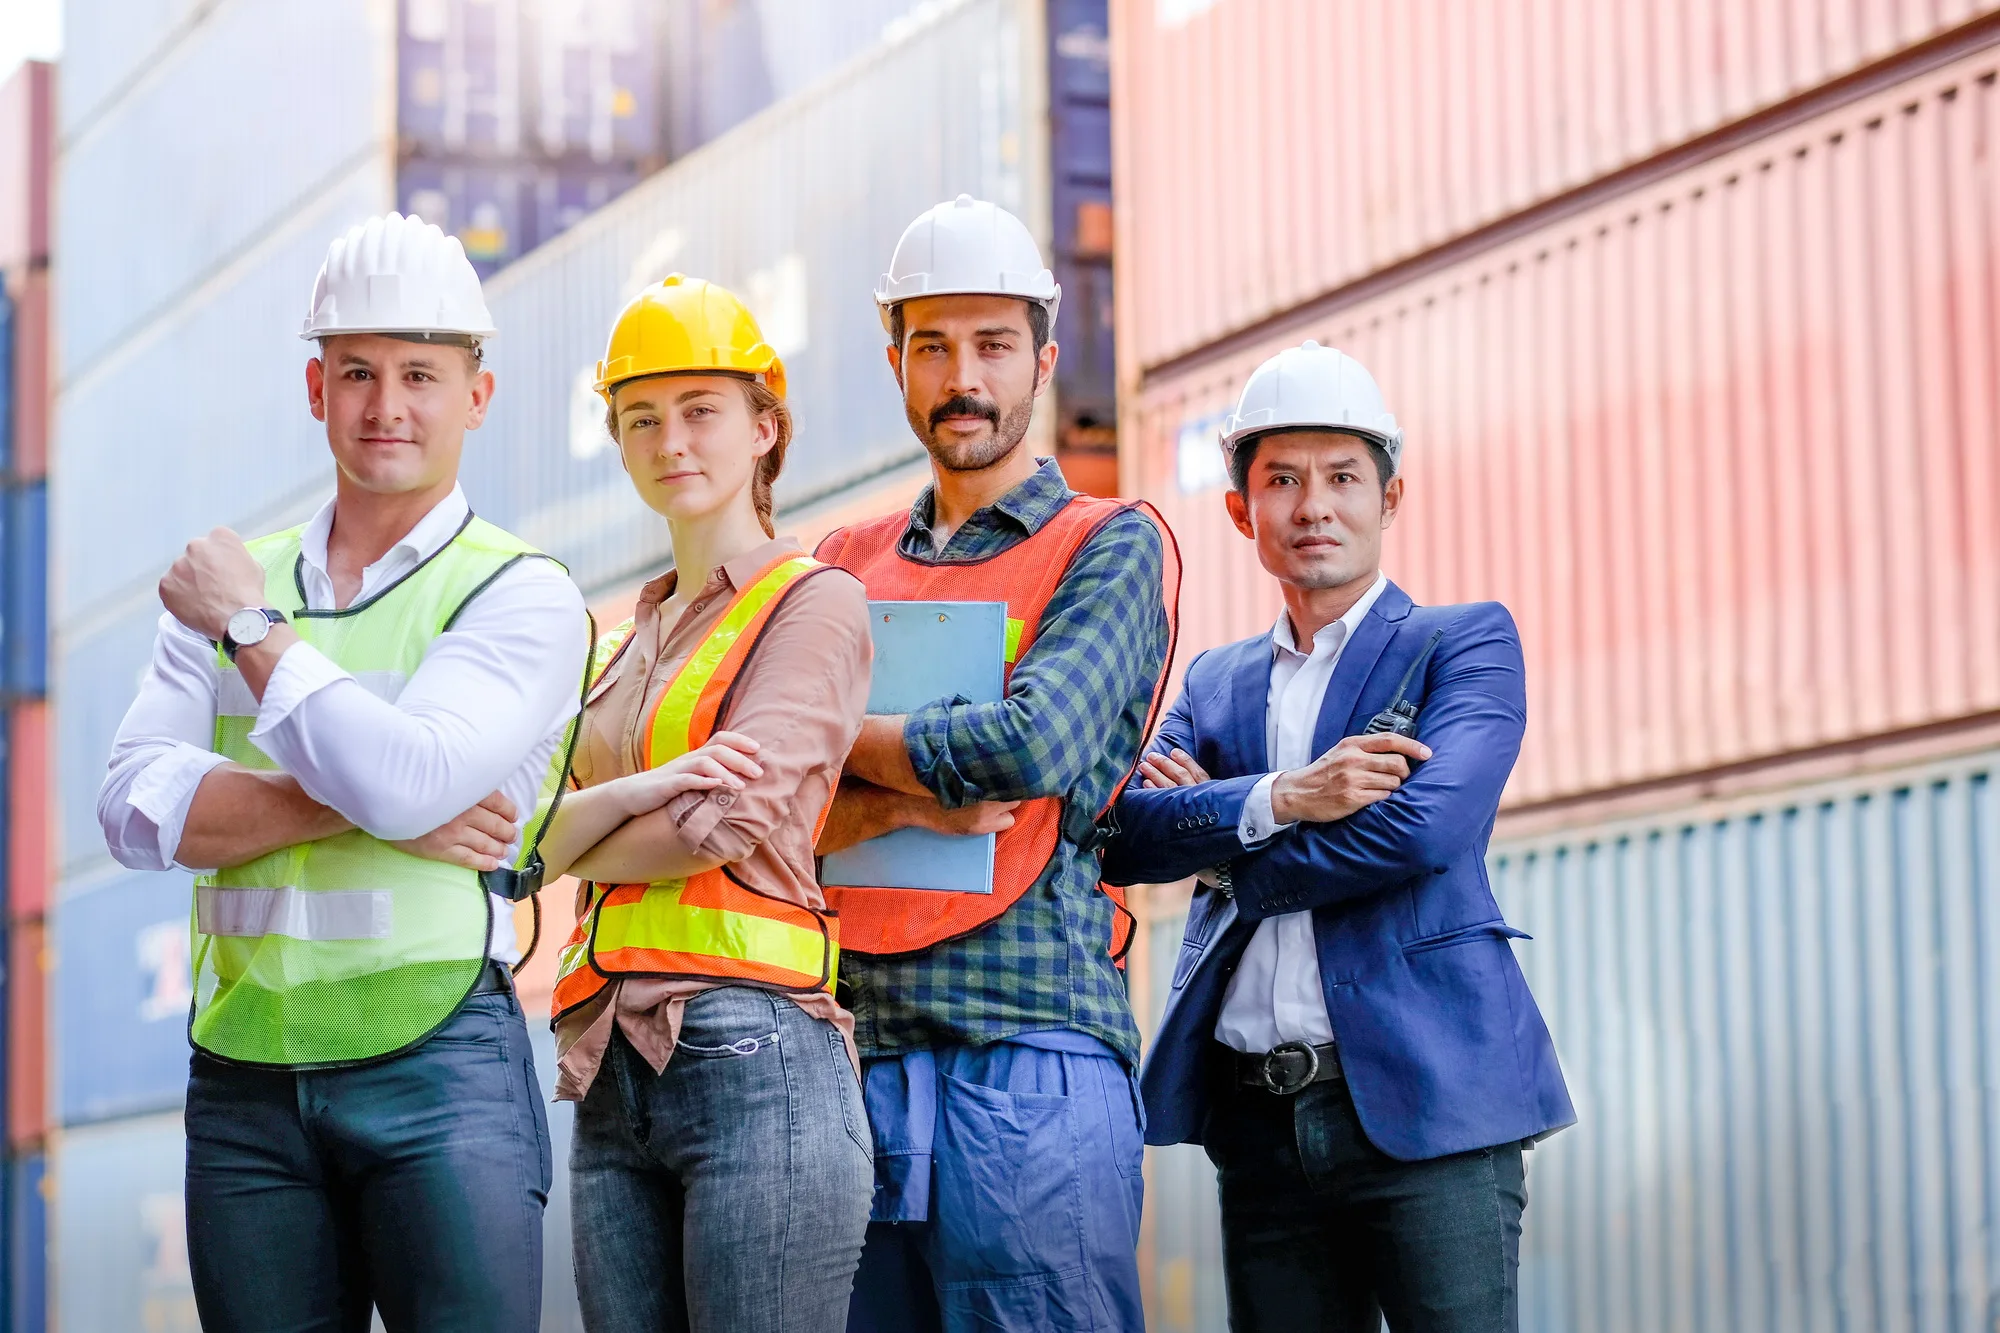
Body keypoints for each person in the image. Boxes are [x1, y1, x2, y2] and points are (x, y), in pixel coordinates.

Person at [97, 212, 592, 1331]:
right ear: (315, 389)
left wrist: (251, 632)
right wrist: (361, 798)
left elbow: (410, 782)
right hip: (243, 1077)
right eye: (357, 372)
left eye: (421, 373)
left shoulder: (515, 589)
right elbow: (130, 810)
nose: (387, 406)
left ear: (480, 393)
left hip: (439, 1076)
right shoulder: (234, 574)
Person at [1101, 340, 1575, 1332]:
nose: (1312, 504)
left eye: (1340, 477)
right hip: (1258, 1127)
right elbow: (1124, 839)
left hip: (1432, 1111)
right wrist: (1283, 796)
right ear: (1242, 511)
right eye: (1280, 479)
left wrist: (1228, 848)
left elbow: (1424, 828)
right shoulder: (1211, 682)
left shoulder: (1462, 641)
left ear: (1388, 497)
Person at [813, 195, 1178, 1332]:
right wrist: (901, 770)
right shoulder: (840, 560)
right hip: (848, 1050)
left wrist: (844, 750)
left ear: (1042, 360)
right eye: (931, 345)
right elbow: (767, 782)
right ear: (895, 362)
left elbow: (1030, 747)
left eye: (990, 344)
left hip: (1028, 1056)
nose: (960, 374)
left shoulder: (1108, 545)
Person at [539, 274, 875, 1333]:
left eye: (699, 411)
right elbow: (524, 835)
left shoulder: (813, 603)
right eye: (640, 418)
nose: (668, 438)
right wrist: (589, 823)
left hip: (754, 1050)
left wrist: (569, 839)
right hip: (606, 1069)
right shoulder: (617, 642)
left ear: (764, 426)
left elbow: (719, 823)